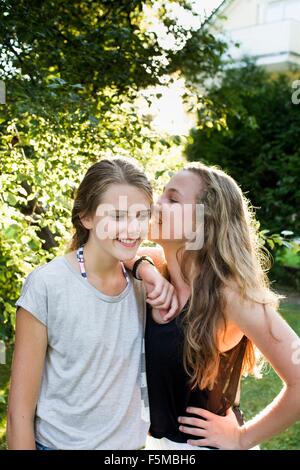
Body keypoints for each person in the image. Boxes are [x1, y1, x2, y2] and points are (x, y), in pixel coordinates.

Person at [6, 158, 176, 450]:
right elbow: (19, 413)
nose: (132, 228)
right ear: (86, 217)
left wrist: (146, 268)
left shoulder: (146, 281)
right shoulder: (48, 285)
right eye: (118, 216)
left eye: (140, 215)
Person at [132, 162, 300, 450]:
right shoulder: (158, 267)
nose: (156, 204)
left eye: (172, 199)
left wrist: (242, 438)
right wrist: (142, 267)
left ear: (205, 221)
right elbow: (104, 250)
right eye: (161, 195)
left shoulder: (230, 294)